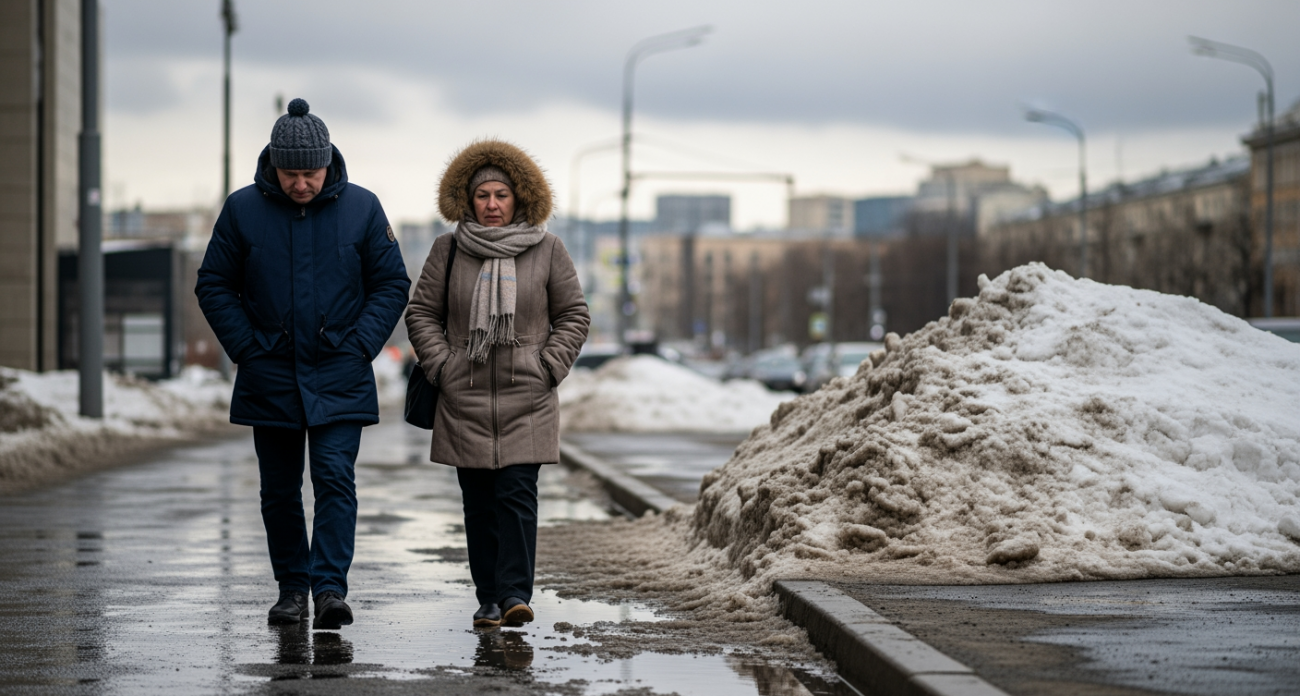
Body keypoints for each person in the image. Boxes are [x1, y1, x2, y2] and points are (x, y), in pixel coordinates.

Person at [195, 98, 410, 629]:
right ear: (273, 165)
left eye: (310, 174)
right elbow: (213, 283)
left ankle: (330, 589)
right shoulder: (242, 209)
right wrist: (246, 346)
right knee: (279, 489)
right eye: (290, 174)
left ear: (327, 163)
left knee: (336, 480)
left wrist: (361, 345)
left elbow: (392, 283)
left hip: (341, 368)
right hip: (269, 370)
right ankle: (292, 588)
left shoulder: (362, 207)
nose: (301, 185)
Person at [406, 140, 590, 628]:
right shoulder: (447, 250)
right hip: (462, 394)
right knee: (479, 503)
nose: (491, 204)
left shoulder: (548, 249)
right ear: (468, 200)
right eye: (482, 195)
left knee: (516, 496)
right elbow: (422, 312)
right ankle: (487, 597)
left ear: (519, 199)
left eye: (500, 195)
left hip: (527, 395)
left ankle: (513, 595)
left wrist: (548, 365)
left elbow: (573, 314)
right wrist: (443, 366)